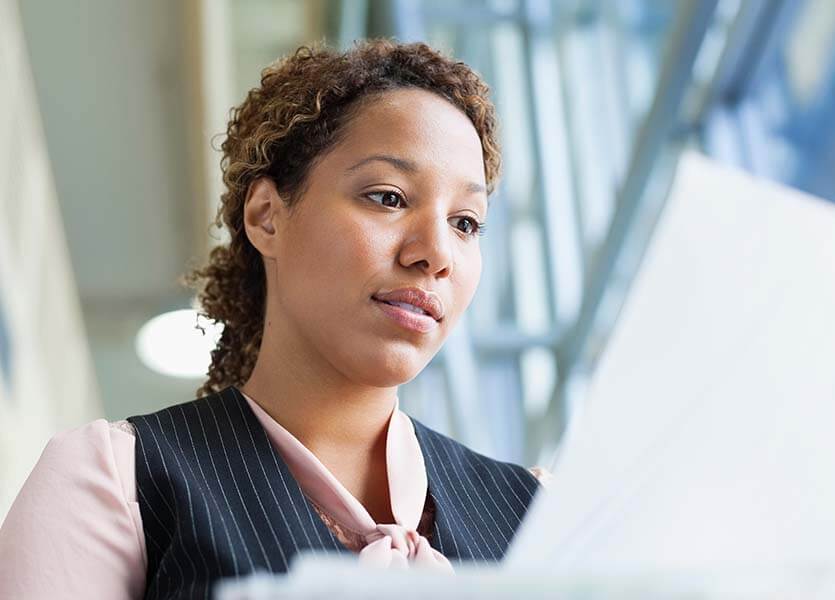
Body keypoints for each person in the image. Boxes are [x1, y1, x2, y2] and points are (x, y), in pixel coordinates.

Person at [0, 39, 548, 599]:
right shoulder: (115, 482)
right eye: (387, 197)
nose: (435, 253)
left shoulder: (538, 515)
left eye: (466, 222)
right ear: (267, 217)